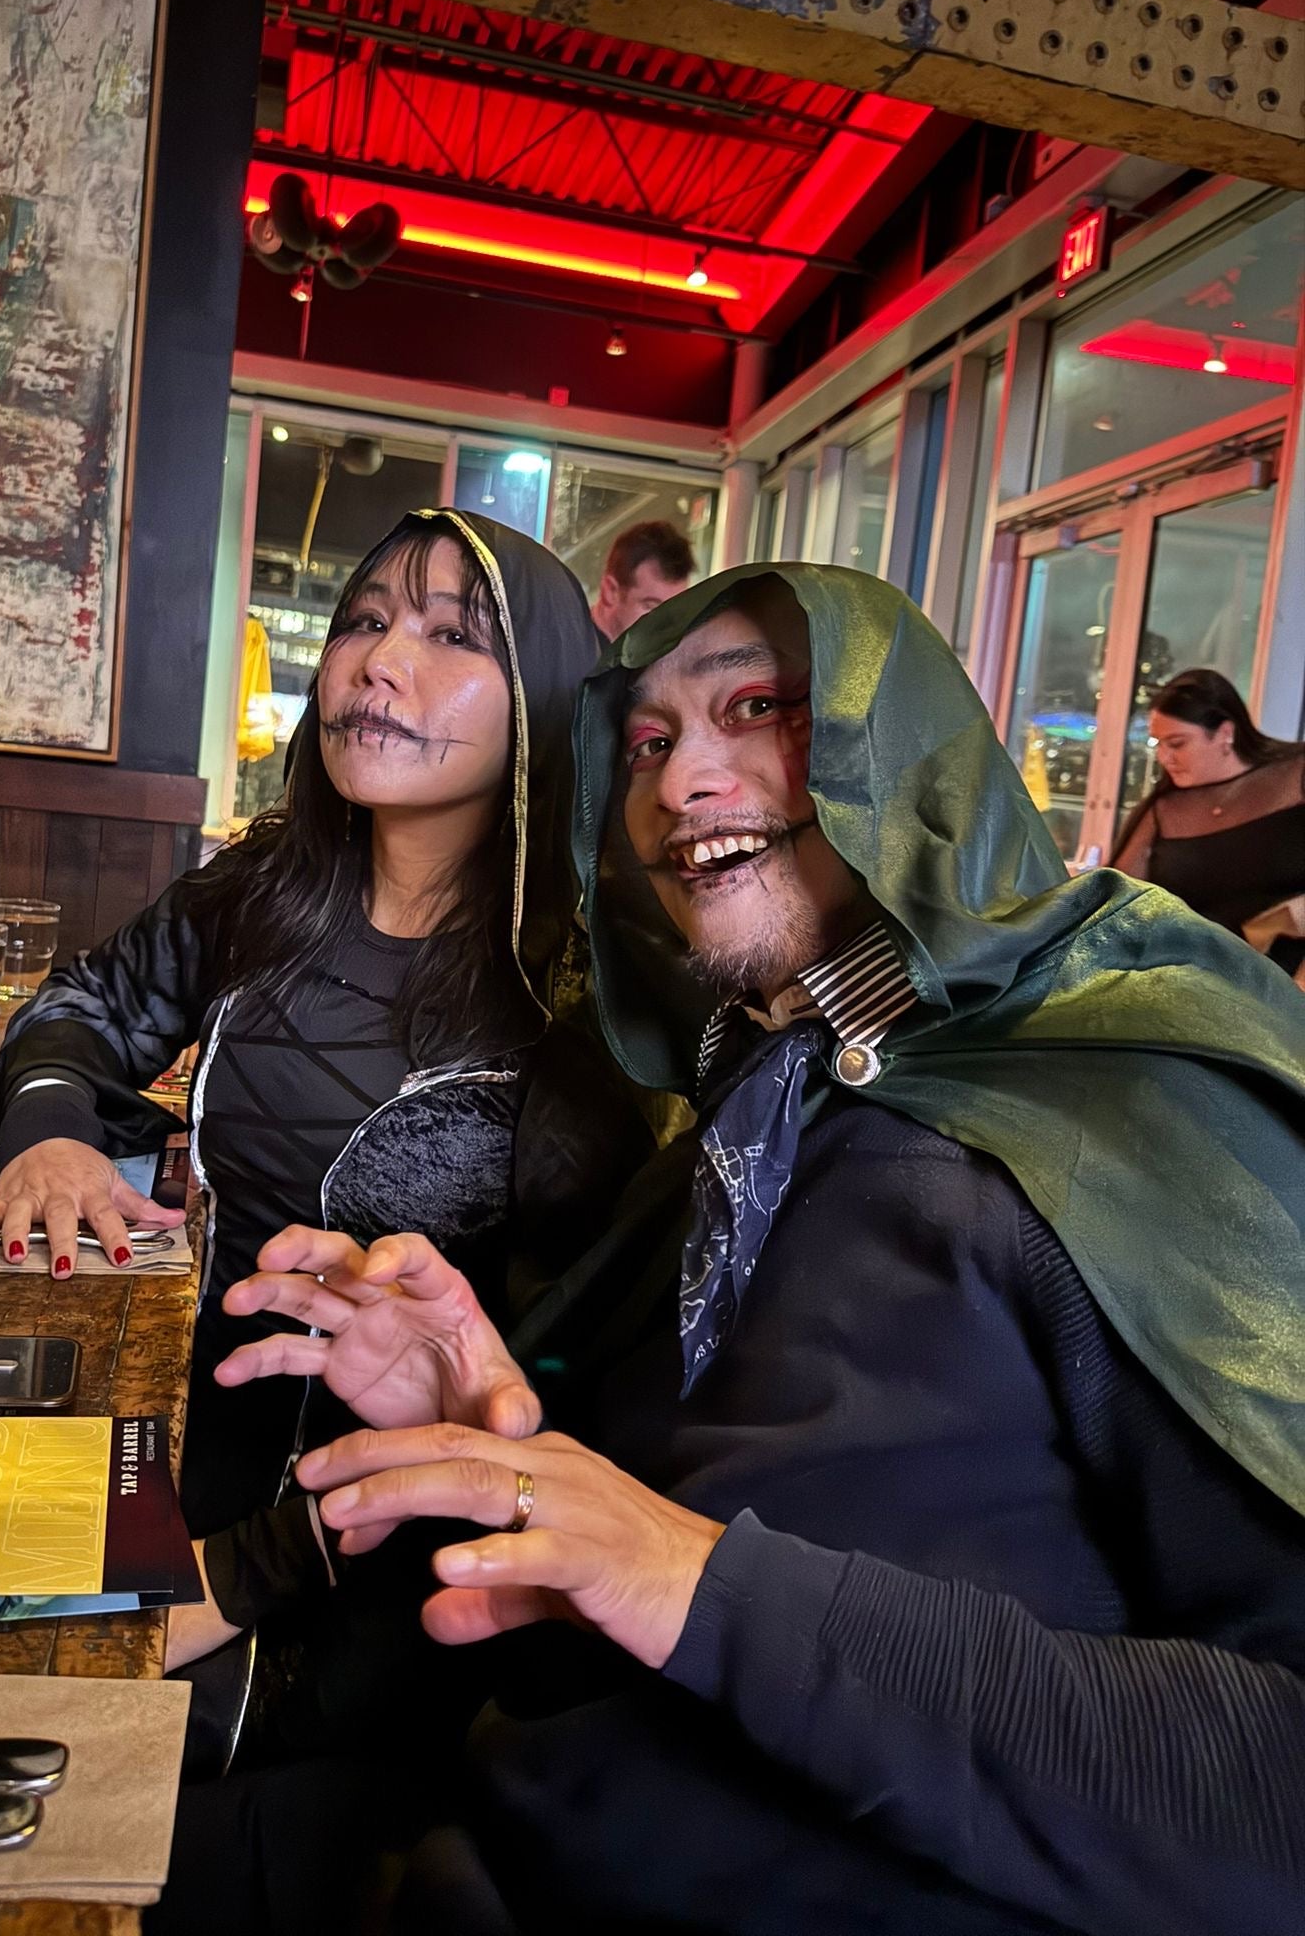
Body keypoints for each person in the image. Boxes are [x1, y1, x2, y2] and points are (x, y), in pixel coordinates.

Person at [221, 564, 1305, 1936]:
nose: (682, 783)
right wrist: (496, 1423)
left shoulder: (1128, 1118)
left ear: (907, 753)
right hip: (489, 1828)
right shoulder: (763, 1101)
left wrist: (706, 1587)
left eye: (759, 709)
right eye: (649, 743)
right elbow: (686, 1529)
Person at [0, 509, 646, 1536]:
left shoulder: (574, 998)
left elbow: (582, 1367)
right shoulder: (267, 890)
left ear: (546, 695)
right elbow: (88, 1002)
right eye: (365, 621)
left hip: (377, 1541)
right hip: (159, 1448)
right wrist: (50, 1133)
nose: (379, 662)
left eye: (451, 634)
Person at [1113, 667, 1305, 969]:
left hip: (1289, 981)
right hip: (1190, 981)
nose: (1164, 757)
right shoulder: (1163, 810)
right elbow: (1116, 905)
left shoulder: (1296, 775)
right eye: (1158, 744)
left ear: (1226, 733)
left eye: (1177, 743)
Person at [589, 518, 694, 641]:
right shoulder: (573, 645)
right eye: (653, 609)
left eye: (674, 616)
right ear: (610, 591)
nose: (666, 628)